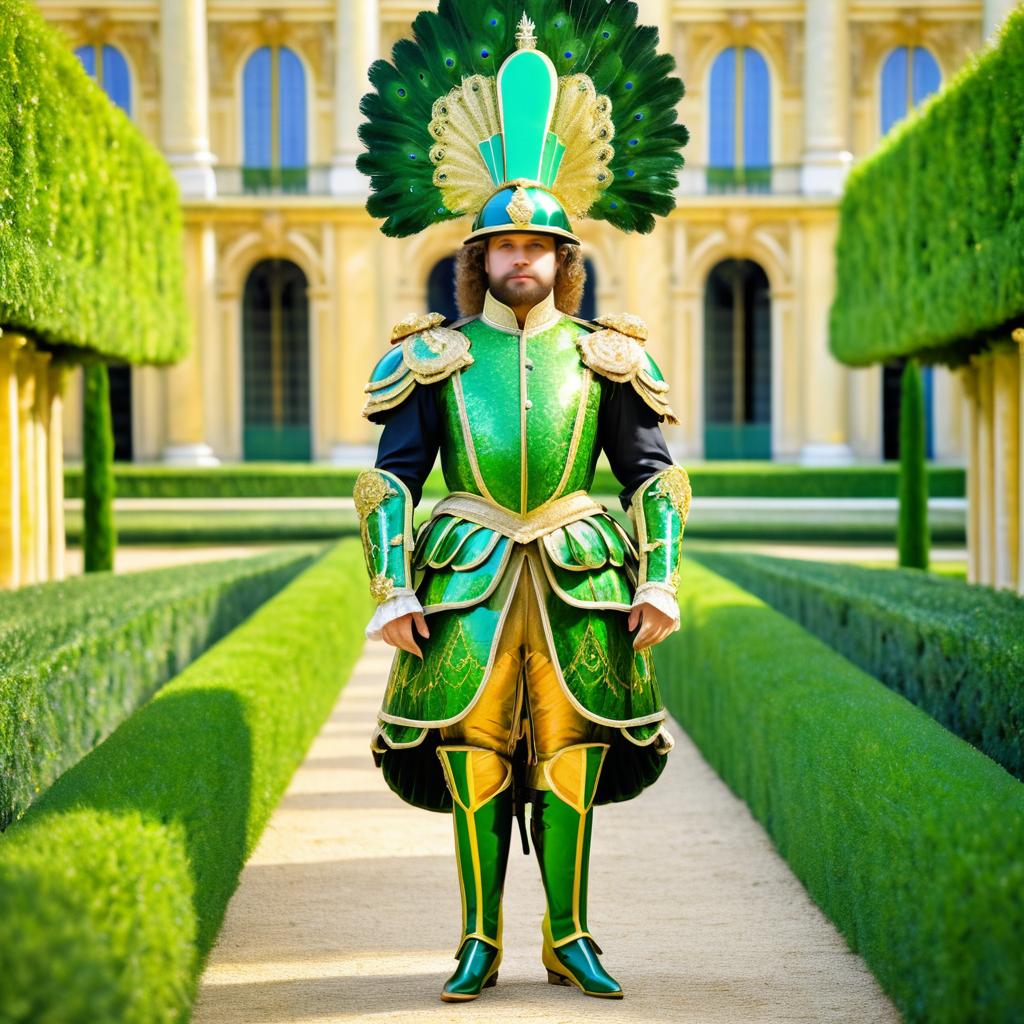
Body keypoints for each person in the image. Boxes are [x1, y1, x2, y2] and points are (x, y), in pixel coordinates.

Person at [353, 3, 690, 1002]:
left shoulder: (607, 355)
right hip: (467, 567)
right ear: (480, 258)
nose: (520, 261)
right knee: (473, 757)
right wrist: (388, 584)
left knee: (576, 757)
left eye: (536, 248)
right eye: (503, 246)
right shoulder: (435, 357)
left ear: (561, 259)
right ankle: (476, 939)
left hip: (582, 568)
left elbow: (650, 471)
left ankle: (570, 934)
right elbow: (392, 475)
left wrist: (661, 573)